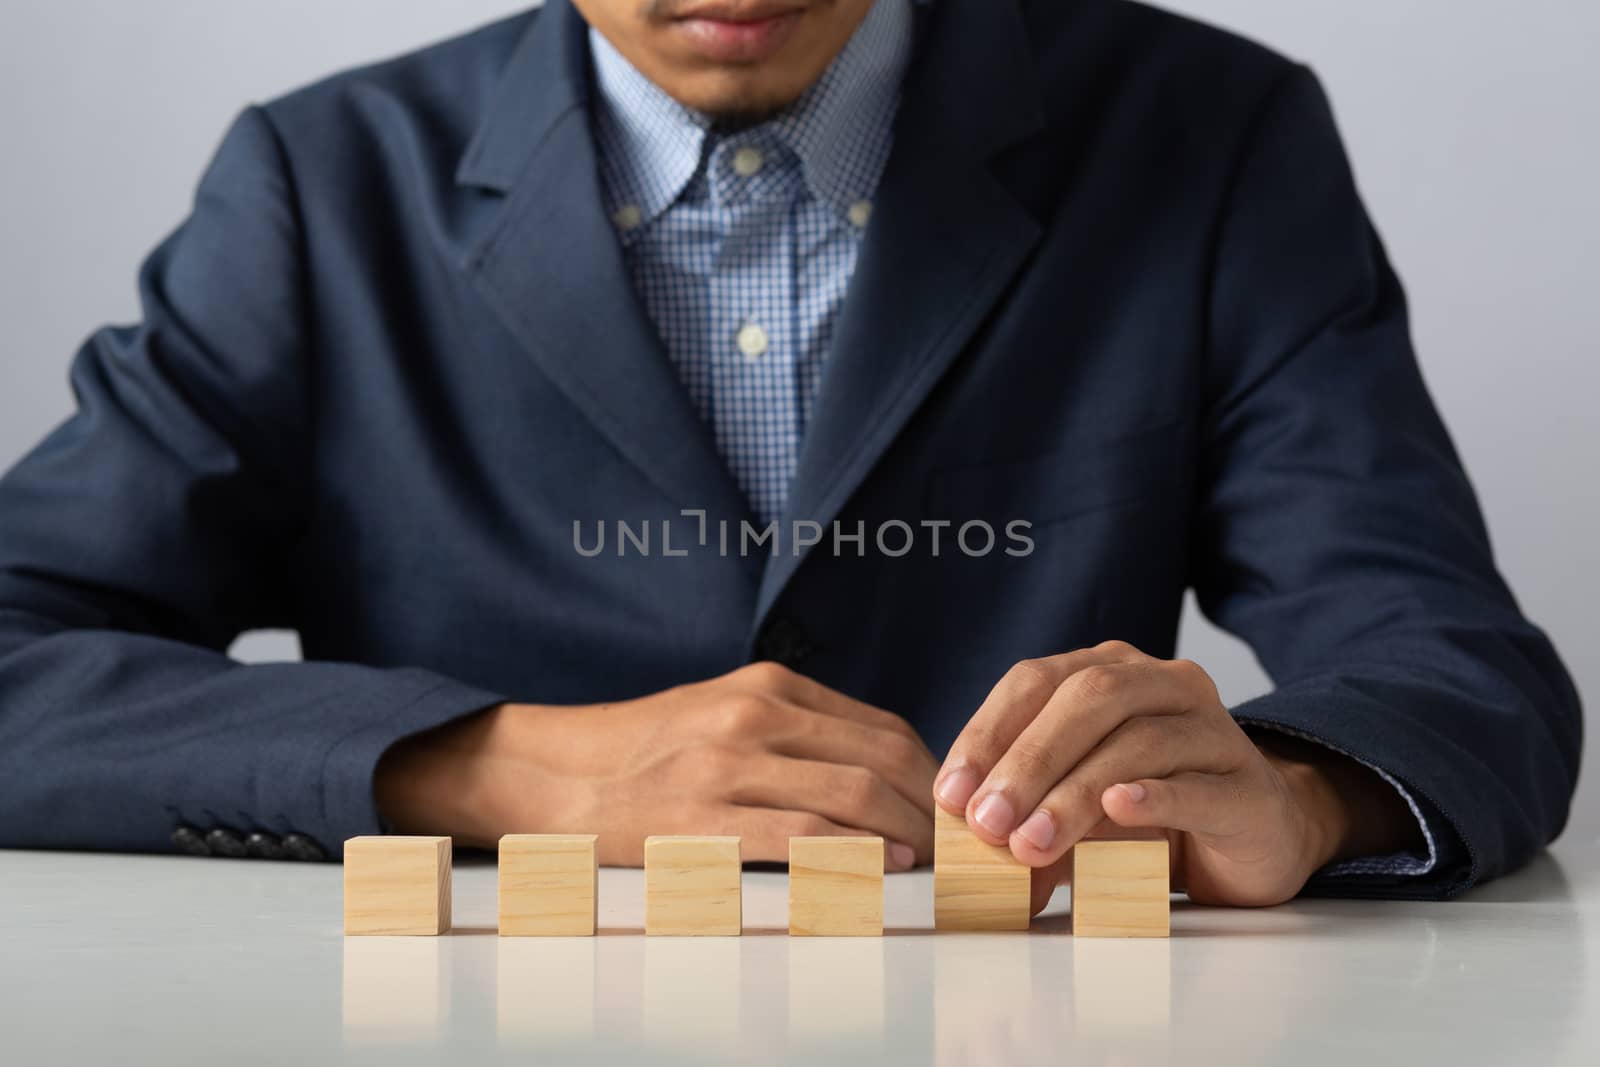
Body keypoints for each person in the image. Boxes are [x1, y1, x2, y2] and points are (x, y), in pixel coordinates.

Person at [0, 0, 1580, 908]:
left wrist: (1297, 800)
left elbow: (1455, 665)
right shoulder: (315, 184)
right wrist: (504, 768)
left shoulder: (1211, 133)